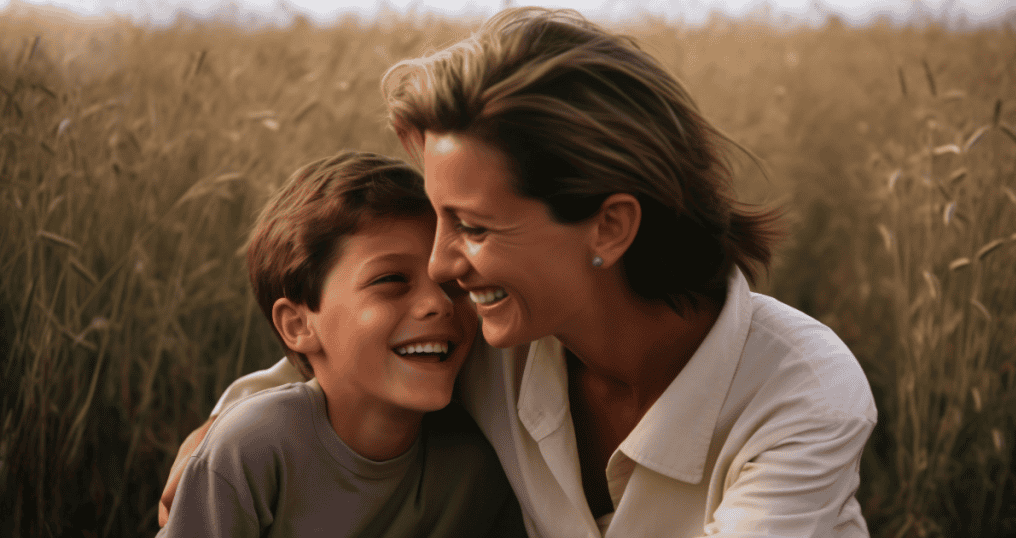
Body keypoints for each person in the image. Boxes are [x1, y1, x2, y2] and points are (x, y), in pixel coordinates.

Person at [161, 8, 877, 537]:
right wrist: (230, 430)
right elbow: (346, 346)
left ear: (610, 226)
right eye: (438, 219)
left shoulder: (801, 395)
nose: (441, 268)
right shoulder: (493, 328)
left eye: (472, 226)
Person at [157, 151, 525, 537]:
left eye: (451, 283)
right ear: (298, 324)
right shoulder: (252, 451)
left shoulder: (478, 470)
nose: (439, 302)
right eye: (391, 280)